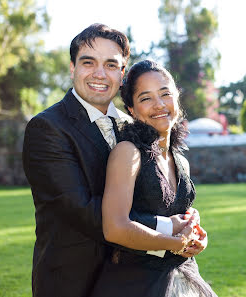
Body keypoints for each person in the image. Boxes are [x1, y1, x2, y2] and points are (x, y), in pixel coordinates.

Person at [22, 24, 199, 297]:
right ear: (72, 68)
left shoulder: (135, 125)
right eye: (88, 62)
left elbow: (156, 190)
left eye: (111, 64)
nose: (100, 74)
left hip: (140, 276)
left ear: (122, 73)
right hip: (74, 279)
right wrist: (170, 230)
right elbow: (83, 210)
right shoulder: (47, 128)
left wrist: (190, 224)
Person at [90, 60, 216, 297]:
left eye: (165, 93)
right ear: (132, 110)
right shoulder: (128, 152)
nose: (159, 105)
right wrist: (175, 243)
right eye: (146, 98)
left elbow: (177, 217)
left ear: (176, 97)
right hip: (137, 284)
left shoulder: (180, 160)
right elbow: (115, 228)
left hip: (184, 278)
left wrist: (197, 237)